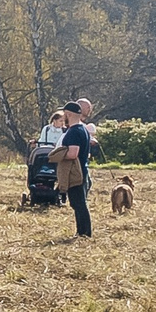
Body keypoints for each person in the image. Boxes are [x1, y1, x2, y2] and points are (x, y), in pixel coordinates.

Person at [56, 101, 97, 240]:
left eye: (64, 115)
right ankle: (81, 232)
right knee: (78, 202)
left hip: (75, 171)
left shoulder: (73, 132)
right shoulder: (83, 129)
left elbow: (73, 153)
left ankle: (84, 233)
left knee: (78, 203)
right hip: (82, 170)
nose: (63, 118)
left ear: (68, 114)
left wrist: (58, 155)